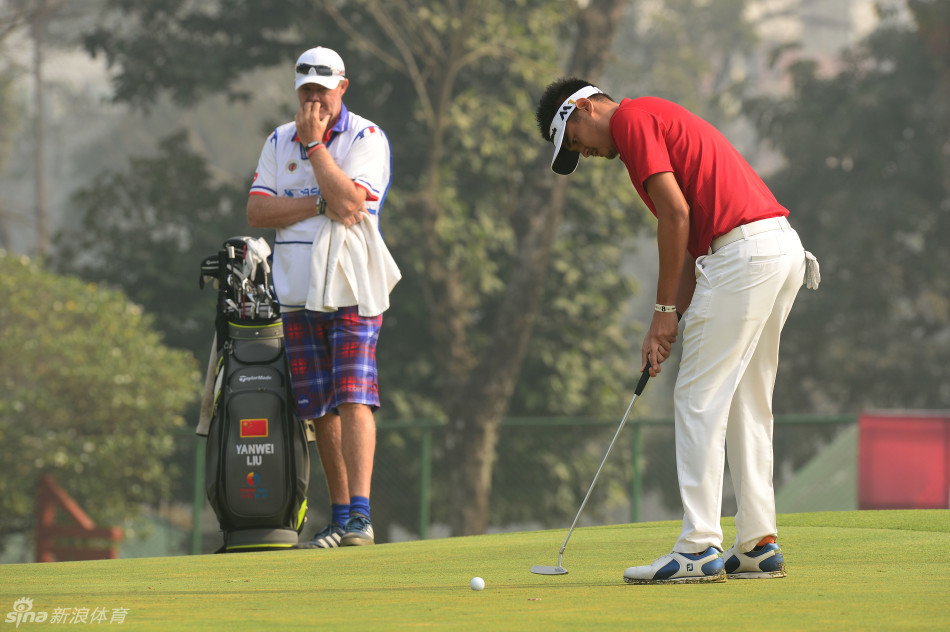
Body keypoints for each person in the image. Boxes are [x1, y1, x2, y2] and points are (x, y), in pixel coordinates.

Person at [535, 77, 819, 583]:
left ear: (581, 109)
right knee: (746, 400)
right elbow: (689, 241)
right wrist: (663, 323)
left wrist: (665, 311)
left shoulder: (630, 119)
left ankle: (698, 547)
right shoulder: (651, 119)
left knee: (697, 397)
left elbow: (675, 214)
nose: (589, 153)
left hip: (744, 257)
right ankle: (757, 542)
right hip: (778, 250)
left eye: (578, 141)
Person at [248, 46, 398, 548]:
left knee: (354, 394)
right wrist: (314, 202)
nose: (315, 100)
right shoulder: (277, 139)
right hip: (295, 291)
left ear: (342, 88)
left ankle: (361, 515)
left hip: (352, 288)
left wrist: (315, 148)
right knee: (318, 407)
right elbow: (256, 212)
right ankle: (338, 516)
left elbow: (352, 202)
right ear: (297, 91)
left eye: (323, 90)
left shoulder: (367, 136)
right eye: (306, 91)